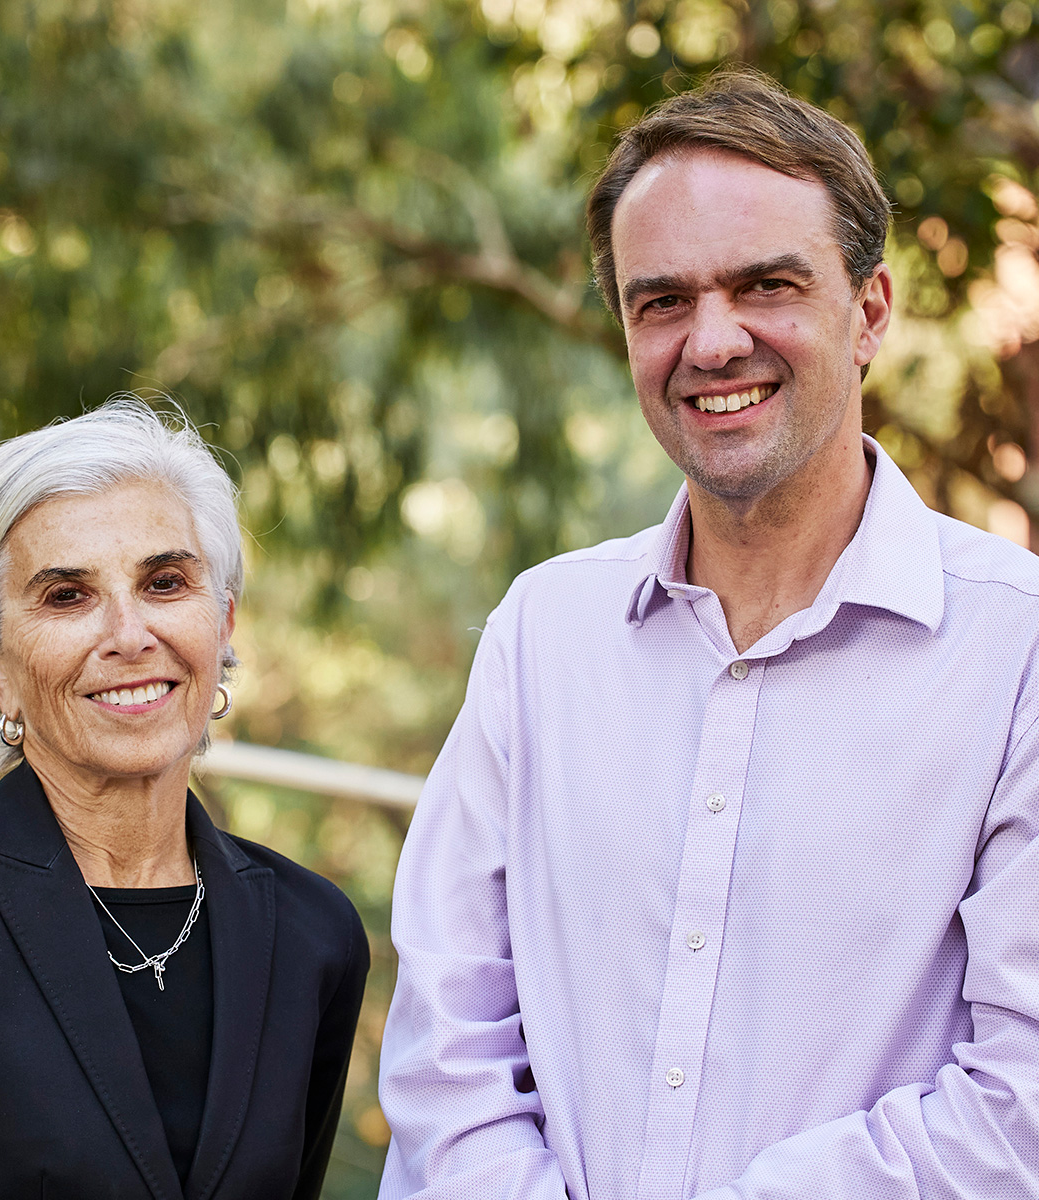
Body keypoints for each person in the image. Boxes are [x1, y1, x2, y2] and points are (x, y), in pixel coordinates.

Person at [376, 69, 1039, 1200]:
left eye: (767, 285)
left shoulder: (1016, 652)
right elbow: (450, 1045)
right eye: (663, 300)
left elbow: (1021, 1105)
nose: (713, 341)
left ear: (870, 309)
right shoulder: (544, 635)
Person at [0, 398, 369, 1200]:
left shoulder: (314, 935)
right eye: (66, 596)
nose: (129, 635)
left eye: (164, 583)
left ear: (223, 623)